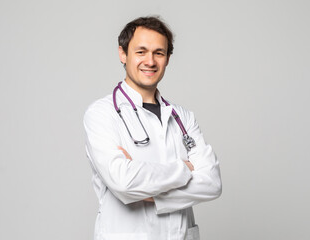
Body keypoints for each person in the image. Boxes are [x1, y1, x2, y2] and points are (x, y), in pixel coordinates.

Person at [83, 16, 222, 240]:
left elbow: (212, 183)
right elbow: (124, 182)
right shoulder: (102, 114)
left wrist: (149, 192)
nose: (150, 61)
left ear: (167, 59)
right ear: (122, 54)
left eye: (159, 53)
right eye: (141, 51)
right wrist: (186, 169)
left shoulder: (183, 117)